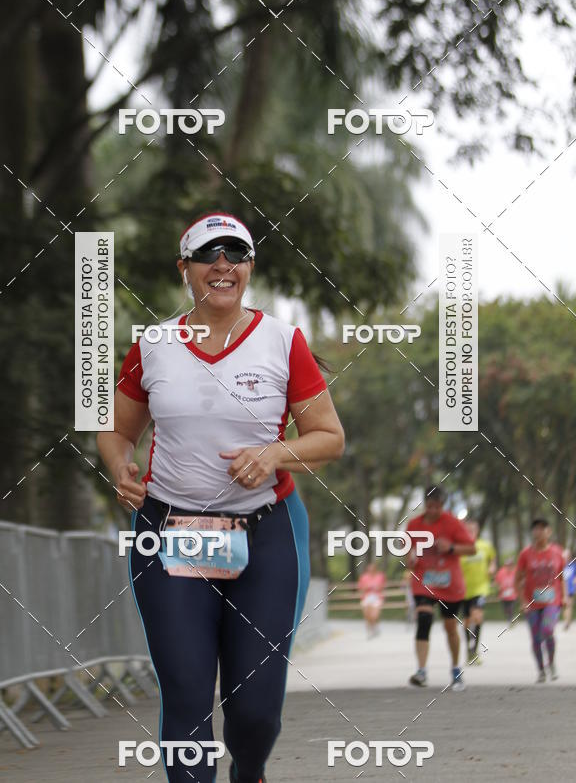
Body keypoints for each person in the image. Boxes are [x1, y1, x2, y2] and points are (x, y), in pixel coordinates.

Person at [98, 212, 345, 783]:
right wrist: (119, 466)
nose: (223, 265)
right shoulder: (154, 345)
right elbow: (116, 429)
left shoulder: (283, 342)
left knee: (255, 709)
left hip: (264, 534)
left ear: (250, 268)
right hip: (171, 533)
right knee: (186, 694)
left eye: (236, 254)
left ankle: (249, 771)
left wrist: (274, 454)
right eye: (208, 255)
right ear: (184, 269)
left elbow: (329, 438)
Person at [405, 485, 476, 691]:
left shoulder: (452, 523)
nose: (433, 510)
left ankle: (455, 669)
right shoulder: (414, 524)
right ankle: (421, 671)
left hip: (449, 585)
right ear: (424, 504)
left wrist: (451, 548)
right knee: (424, 620)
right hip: (424, 582)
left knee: (450, 628)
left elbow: (471, 548)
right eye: (429, 506)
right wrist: (410, 558)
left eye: (437, 506)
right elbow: (407, 550)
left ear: (442, 505)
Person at [515, 518, 564, 683]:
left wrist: (564, 597)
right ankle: (541, 670)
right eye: (536, 529)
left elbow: (562, 577)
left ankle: (552, 662)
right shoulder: (525, 554)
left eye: (542, 528)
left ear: (549, 532)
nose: (539, 532)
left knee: (548, 630)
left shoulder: (557, 552)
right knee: (536, 637)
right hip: (532, 603)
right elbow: (517, 579)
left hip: (552, 601)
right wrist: (522, 601)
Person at [459, 519, 496, 664]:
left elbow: (492, 559)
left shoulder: (485, 546)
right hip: (463, 590)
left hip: (480, 588)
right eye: (467, 530)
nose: (470, 532)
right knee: (467, 621)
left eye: (472, 530)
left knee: (478, 616)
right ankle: (469, 649)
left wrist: (491, 567)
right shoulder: (460, 548)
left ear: (477, 530)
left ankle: (474, 650)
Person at [357, 563, 387, 637]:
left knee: (374, 615)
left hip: (377, 596)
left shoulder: (380, 576)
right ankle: (370, 630)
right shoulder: (363, 577)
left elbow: (383, 586)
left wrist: (377, 587)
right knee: (367, 614)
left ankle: (374, 627)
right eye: (370, 569)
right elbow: (360, 588)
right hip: (366, 597)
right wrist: (367, 587)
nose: (371, 570)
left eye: (373, 569)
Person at [495, 557, 517, 623]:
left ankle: (511, 620)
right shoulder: (501, 572)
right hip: (503, 595)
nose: (509, 567)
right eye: (508, 565)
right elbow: (497, 582)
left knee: (511, 608)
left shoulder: (515, 571)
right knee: (505, 609)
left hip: (513, 594)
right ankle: (509, 618)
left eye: (510, 565)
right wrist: (499, 587)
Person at [561, 551, 575, 630]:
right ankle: (567, 621)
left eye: (567, 556)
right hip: (562, 589)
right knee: (565, 606)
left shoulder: (574, 565)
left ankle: (567, 622)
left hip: (570, 588)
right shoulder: (562, 565)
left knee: (569, 605)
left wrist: (574, 581)